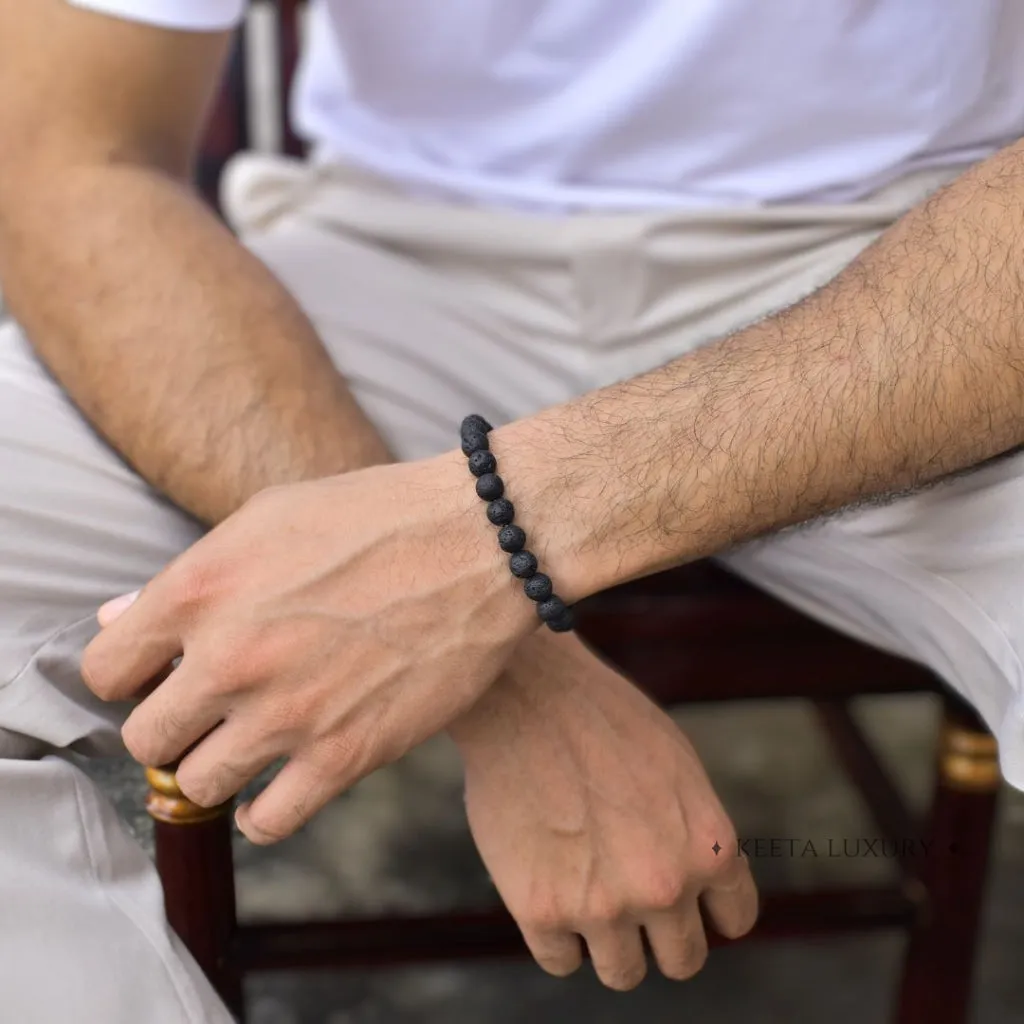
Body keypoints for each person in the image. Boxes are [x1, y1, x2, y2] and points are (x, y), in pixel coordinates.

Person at [3, 0, 1024, 1020]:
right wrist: (512, 679)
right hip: (391, 258)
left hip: (923, 270)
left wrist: (486, 549)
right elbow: (69, 155)